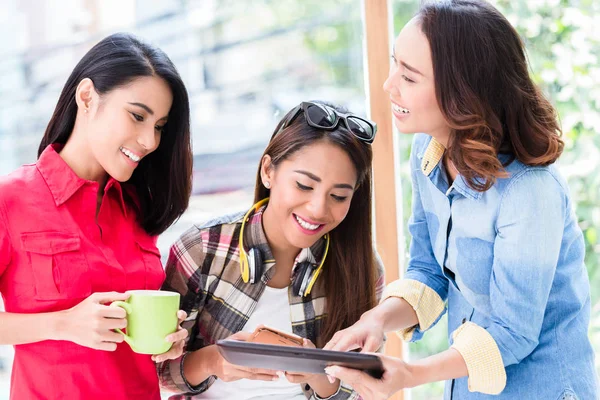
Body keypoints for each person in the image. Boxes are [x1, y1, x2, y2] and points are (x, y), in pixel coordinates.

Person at [323, 1, 599, 399]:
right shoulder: (427, 151)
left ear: (462, 94)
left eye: (410, 77)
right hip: (469, 388)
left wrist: (412, 374)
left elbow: (512, 332)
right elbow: (429, 271)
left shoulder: (530, 191)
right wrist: (375, 319)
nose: (389, 85)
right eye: (394, 64)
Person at [0, 33, 193, 400]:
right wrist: (61, 324)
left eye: (159, 126)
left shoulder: (139, 209)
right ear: (87, 96)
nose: (150, 141)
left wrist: (170, 339)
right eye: (137, 116)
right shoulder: (11, 199)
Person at [157, 101, 386, 399]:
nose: (318, 208)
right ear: (268, 171)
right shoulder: (203, 249)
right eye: (304, 185)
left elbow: (366, 386)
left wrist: (317, 374)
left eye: (339, 196)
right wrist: (214, 360)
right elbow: (160, 368)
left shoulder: (363, 268)